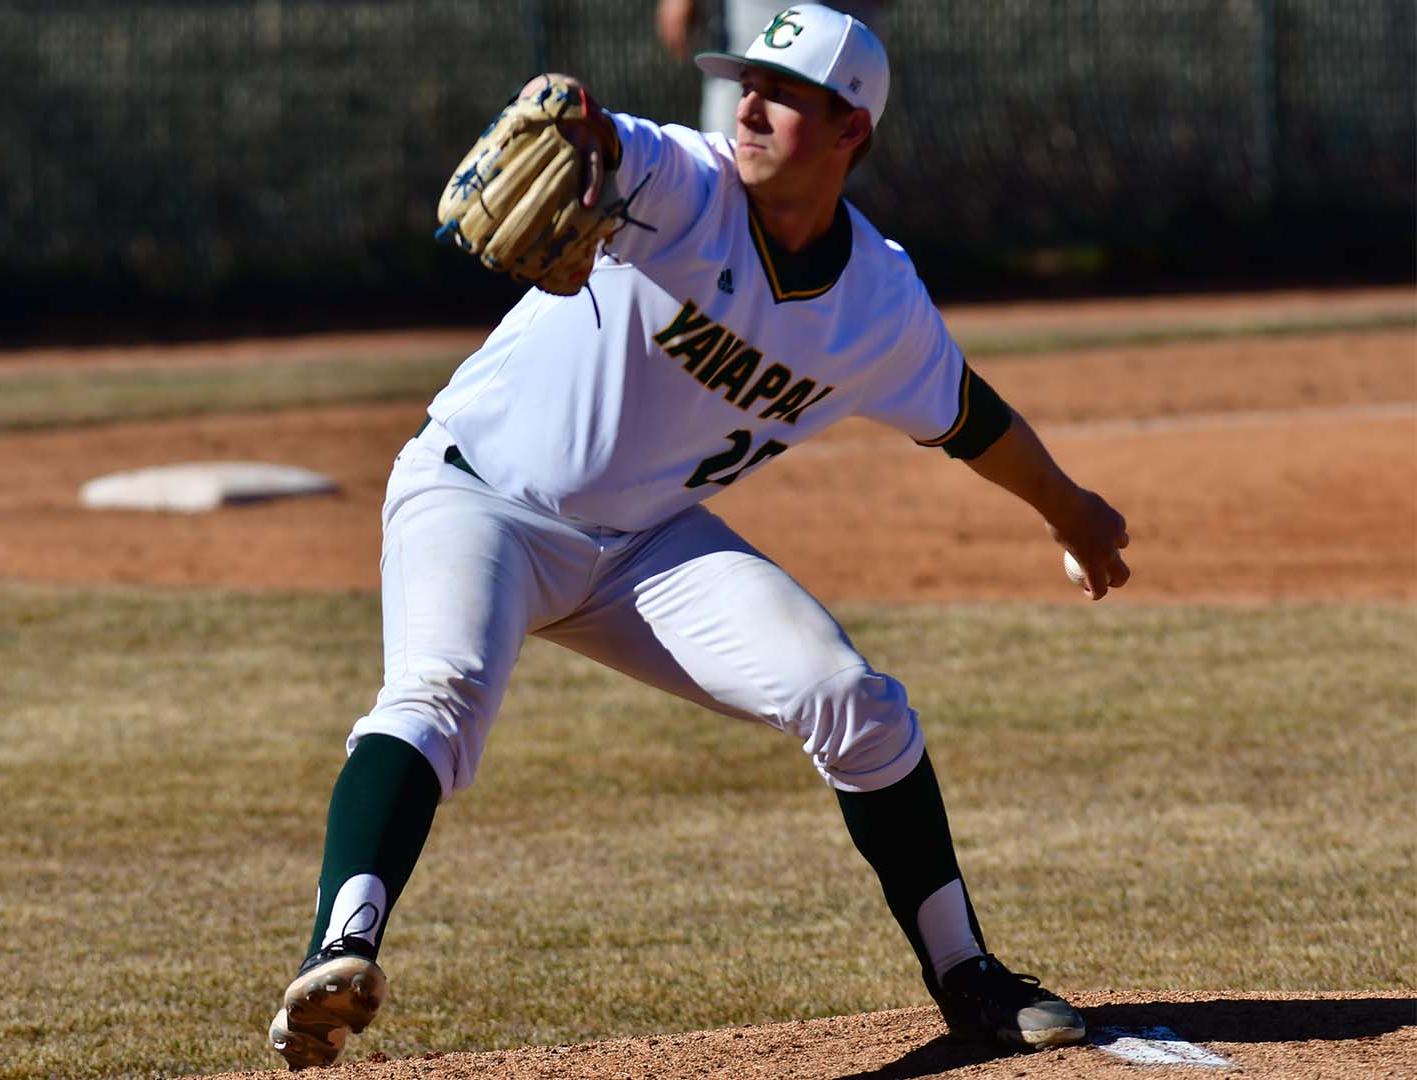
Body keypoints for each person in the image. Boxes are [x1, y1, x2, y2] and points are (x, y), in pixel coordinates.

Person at [268, 4, 1129, 1070]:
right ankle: (340, 949)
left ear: (852, 128)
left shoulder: (878, 303)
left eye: (785, 94)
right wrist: (581, 127)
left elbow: (969, 416)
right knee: (436, 698)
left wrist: (1071, 510)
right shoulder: (689, 183)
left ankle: (969, 976)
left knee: (850, 699)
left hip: (644, 548)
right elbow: (610, 142)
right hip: (478, 499)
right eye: (746, 83)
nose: (751, 106)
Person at [657, 0, 889, 135]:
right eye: (747, 90)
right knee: (728, 153)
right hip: (753, 13)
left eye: (778, 94)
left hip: (846, 12)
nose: (745, 111)